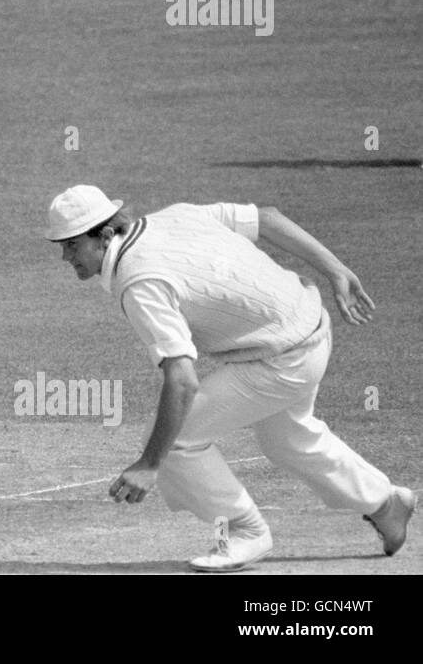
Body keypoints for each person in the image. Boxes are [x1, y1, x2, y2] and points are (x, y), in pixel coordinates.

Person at [45, 184, 415, 571]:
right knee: (290, 440)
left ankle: (246, 531)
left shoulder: (139, 283)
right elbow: (267, 218)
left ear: (103, 235)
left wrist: (149, 464)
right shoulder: (176, 214)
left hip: (281, 360)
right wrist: (335, 269)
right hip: (310, 324)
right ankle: (386, 504)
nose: (65, 256)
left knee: (176, 440)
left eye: (71, 245)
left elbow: (182, 380)